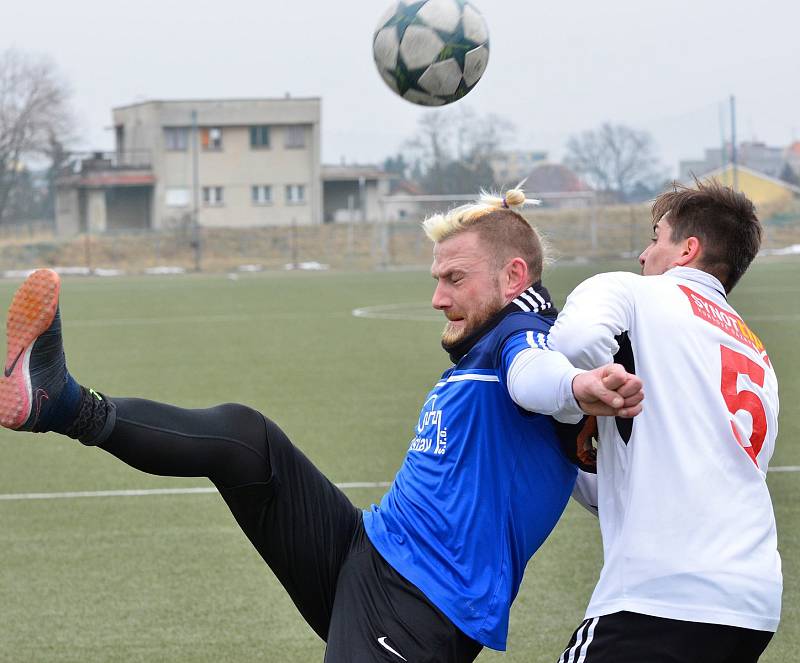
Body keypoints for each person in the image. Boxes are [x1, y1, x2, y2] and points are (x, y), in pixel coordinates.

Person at [0, 189, 642, 662]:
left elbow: (537, 377)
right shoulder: (491, 342)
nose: (437, 297)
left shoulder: (525, 338)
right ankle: (61, 404)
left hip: (419, 608)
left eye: (454, 278)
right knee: (245, 442)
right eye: (436, 278)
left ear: (513, 277)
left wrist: (578, 386)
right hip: (367, 553)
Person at [547, 180, 781, 663]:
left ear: (687, 250)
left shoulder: (633, 293)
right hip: (751, 603)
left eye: (656, 237)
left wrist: (588, 400)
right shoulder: (756, 354)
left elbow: (573, 343)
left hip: (660, 593)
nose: (642, 254)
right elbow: (651, 481)